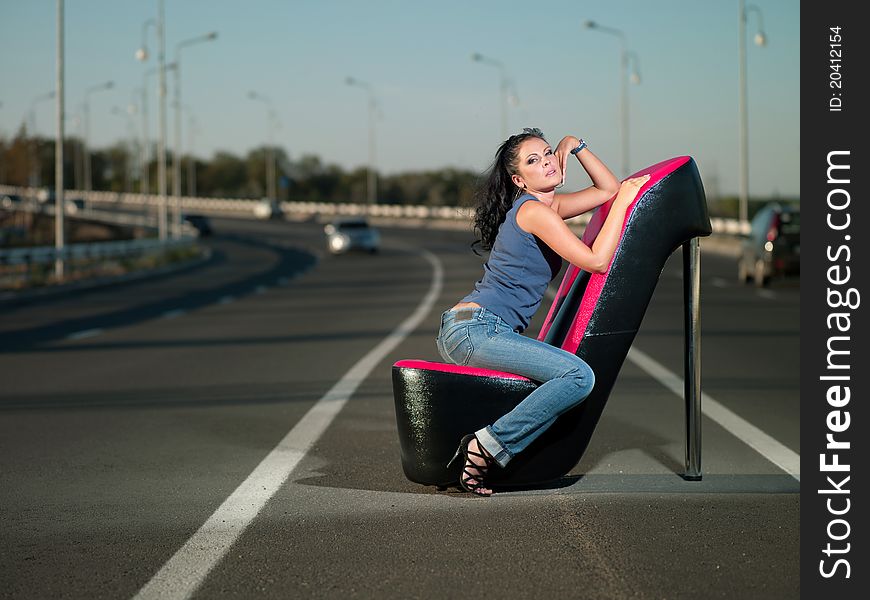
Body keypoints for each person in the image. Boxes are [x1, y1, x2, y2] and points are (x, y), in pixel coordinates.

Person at [437, 128, 650, 496]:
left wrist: (576, 145)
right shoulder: (535, 212)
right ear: (519, 180)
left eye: (549, 153)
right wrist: (623, 205)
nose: (548, 161)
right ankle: (485, 447)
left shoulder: (550, 207)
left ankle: (488, 453)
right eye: (533, 161)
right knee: (578, 377)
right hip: (476, 329)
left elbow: (606, 188)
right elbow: (597, 261)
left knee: (568, 378)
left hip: (481, 329)